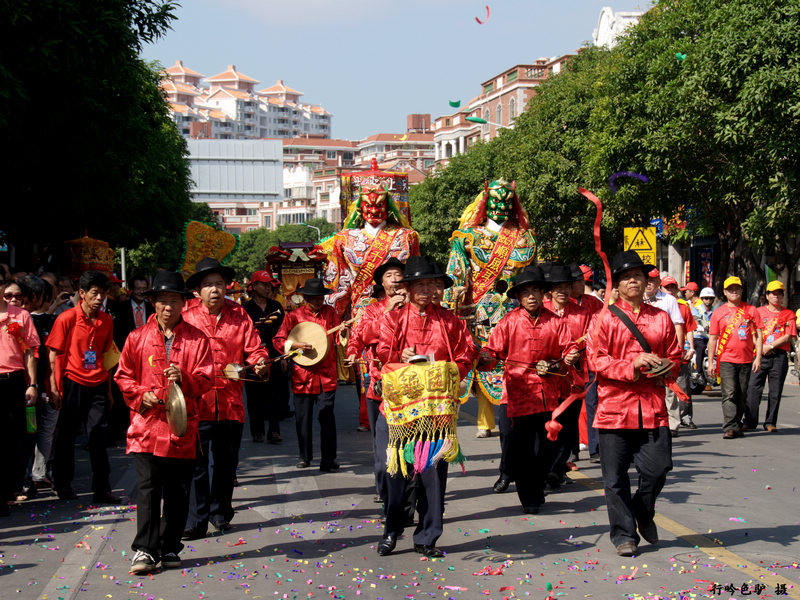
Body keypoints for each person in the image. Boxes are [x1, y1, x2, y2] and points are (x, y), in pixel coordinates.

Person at [375, 256, 477, 557]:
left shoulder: (450, 321)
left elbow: (465, 355)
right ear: (408, 287)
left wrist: (445, 367)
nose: (426, 289)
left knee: (432, 475)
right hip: (399, 409)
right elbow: (382, 354)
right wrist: (399, 354)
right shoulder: (394, 318)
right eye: (420, 283)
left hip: (435, 412)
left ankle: (427, 536)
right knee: (392, 471)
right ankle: (392, 530)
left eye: (432, 283)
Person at [115, 271, 214, 574]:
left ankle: (170, 544)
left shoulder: (198, 339)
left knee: (178, 490)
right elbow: (123, 376)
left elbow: (208, 376)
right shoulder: (137, 337)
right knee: (147, 489)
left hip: (181, 427)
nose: (168, 307)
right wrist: (139, 395)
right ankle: (145, 549)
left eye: (174, 301)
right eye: (162, 301)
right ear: (153, 304)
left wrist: (185, 378)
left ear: (184, 304)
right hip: (146, 427)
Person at [587, 251, 681, 557]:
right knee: (614, 479)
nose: (633, 281)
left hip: (653, 408)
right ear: (616, 284)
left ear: (646, 282)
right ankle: (624, 534)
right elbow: (596, 361)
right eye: (627, 276)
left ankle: (643, 508)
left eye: (638, 276)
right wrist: (633, 363)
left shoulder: (662, 318)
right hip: (614, 409)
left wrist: (666, 366)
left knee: (659, 468)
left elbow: (675, 356)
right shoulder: (603, 318)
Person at [182, 258, 269, 540]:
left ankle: (220, 514)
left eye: (219, 284)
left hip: (230, 403)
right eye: (208, 285)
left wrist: (259, 362)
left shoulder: (239, 315)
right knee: (195, 462)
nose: (214, 290)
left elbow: (255, 348)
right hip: (197, 402)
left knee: (226, 462)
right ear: (198, 291)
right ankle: (196, 519)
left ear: (226, 287)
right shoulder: (186, 316)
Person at [443, 179, 537, 439]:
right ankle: (485, 421)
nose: (501, 207)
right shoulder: (468, 237)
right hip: (480, 312)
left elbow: (531, 275)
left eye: (507, 202)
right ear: (486, 202)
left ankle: (516, 414)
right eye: (496, 201)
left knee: (516, 362)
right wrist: (450, 306)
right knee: (486, 362)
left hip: (516, 310)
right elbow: (456, 275)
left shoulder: (524, 237)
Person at [479, 264, 573, 512]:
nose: (531, 296)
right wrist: (485, 359)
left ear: (544, 294)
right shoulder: (509, 322)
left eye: (535, 291)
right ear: (518, 297)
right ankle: (529, 497)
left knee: (549, 447)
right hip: (518, 395)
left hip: (549, 395)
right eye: (526, 292)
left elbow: (568, 351)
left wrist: (562, 361)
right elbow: (491, 352)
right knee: (521, 450)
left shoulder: (556, 322)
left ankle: (538, 482)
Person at [47, 270, 119, 503]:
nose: (99, 298)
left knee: (98, 435)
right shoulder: (66, 318)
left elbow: (108, 356)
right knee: (66, 435)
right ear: (82, 293)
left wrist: (108, 390)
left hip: (97, 383)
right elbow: (54, 354)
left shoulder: (106, 320)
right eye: (95, 293)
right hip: (72, 382)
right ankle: (62, 483)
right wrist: (55, 388)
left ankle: (102, 488)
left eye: (103, 294)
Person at [346, 258, 406, 505]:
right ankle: (385, 489)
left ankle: (407, 493)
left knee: (406, 443)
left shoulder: (414, 306)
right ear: (381, 282)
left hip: (409, 384)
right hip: (379, 383)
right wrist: (388, 310)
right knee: (381, 445)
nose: (394, 279)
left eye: (398, 274)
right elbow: (362, 334)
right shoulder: (372, 309)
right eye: (389, 275)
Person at [274, 278, 343, 471]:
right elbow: (279, 339)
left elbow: (339, 338)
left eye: (321, 297)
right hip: (302, 374)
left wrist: (343, 332)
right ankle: (304, 456)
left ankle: (328, 459)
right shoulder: (293, 316)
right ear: (306, 298)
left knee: (327, 417)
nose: (318, 301)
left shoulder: (331, 313)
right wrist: (294, 345)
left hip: (326, 374)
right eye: (314, 298)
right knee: (303, 419)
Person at [542, 265, 591, 488]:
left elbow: (593, 342)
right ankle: (549, 469)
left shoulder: (582, 313)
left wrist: (578, 354)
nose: (562, 291)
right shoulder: (541, 311)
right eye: (557, 287)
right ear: (550, 290)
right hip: (547, 380)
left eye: (566, 287)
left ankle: (557, 468)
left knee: (569, 430)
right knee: (548, 426)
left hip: (574, 378)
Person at [0, 278, 40, 515]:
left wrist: (32, 384)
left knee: (11, 437)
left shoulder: (21, 316)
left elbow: (29, 353)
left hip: (13, 380)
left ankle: (7, 491)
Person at [707, 276, 762, 439]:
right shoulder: (718, 313)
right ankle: (729, 426)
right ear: (724, 292)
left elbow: (759, 335)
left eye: (737, 288)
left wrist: (758, 357)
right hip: (726, 360)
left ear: (741, 290)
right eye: (730, 289)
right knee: (729, 392)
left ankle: (737, 424)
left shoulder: (751, 310)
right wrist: (711, 361)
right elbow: (713, 339)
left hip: (746, 360)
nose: (734, 291)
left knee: (742, 394)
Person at [17, 275, 57, 496]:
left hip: (38, 389)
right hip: (22, 387)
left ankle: (35, 475)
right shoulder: (18, 322)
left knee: (37, 433)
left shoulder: (46, 322)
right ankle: (26, 478)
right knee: (26, 434)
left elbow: (48, 358)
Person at [242, 270, 288, 444]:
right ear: (254, 286)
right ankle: (257, 430)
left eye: (269, 284)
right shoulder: (244, 309)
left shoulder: (276, 306)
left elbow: (283, 332)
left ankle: (274, 430)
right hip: (252, 357)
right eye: (264, 284)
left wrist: (284, 356)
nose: (268, 288)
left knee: (274, 394)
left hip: (274, 355)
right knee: (254, 396)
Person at [744, 281, 796, 432]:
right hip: (759, 354)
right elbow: (752, 332)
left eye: (779, 293)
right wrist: (760, 347)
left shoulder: (789, 314)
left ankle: (770, 422)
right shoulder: (758, 312)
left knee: (775, 391)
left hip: (778, 355)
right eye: (773, 293)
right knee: (753, 388)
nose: (776, 296)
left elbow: (788, 336)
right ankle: (750, 421)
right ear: (767, 295)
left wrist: (771, 346)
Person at [644, 270, 684, 437]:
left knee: (668, 387)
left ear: (658, 282)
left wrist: (678, 350)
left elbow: (678, 324)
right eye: (647, 279)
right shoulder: (638, 299)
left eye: (653, 280)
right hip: (644, 352)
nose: (649, 283)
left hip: (665, 351)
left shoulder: (669, 300)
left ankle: (673, 423)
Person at [661, 276, 697, 429]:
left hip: (678, 354)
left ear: (676, 289)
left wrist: (690, 348)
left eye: (672, 287)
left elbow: (689, 329)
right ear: (660, 288)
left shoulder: (683, 306)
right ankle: (664, 420)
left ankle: (683, 418)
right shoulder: (654, 304)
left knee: (681, 387)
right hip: (660, 353)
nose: (669, 290)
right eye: (666, 287)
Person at [691, 287, 717, 390]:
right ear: (702, 299)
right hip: (699, 336)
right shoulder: (696, 309)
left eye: (710, 298)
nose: (708, 301)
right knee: (701, 347)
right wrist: (700, 326)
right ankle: (699, 372)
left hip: (712, 337)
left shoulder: (716, 310)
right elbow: (695, 320)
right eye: (706, 298)